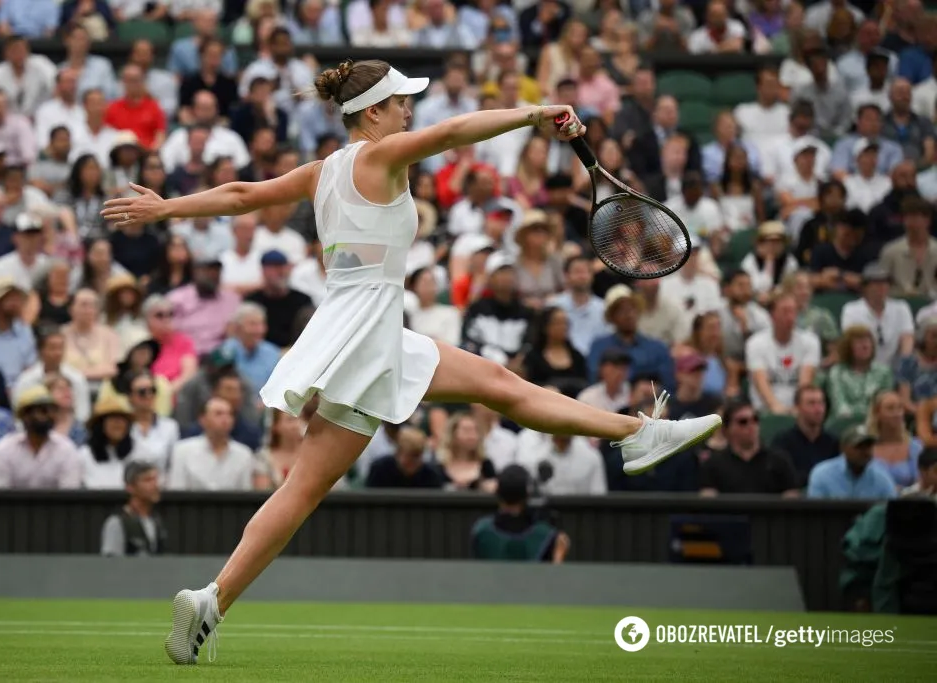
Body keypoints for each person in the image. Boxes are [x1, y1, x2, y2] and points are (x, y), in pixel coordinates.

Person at [102, 58, 721, 664]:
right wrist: (534, 112)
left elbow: (241, 195)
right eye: (401, 104)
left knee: (491, 389)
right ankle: (640, 434)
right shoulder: (379, 154)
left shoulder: (325, 170)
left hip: (359, 326)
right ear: (371, 112)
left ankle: (639, 433)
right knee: (319, 480)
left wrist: (167, 208)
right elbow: (452, 133)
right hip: (369, 331)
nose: (409, 112)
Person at [470, 464, 570, 563]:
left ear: (497, 492)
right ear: (528, 495)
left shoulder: (481, 530)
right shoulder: (546, 536)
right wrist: (558, 556)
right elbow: (553, 577)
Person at [807, 425, 898, 499]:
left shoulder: (881, 475)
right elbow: (815, 515)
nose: (865, 452)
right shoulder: (822, 474)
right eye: (859, 447)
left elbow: (892, 513)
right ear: (844, 448)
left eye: (869, 446)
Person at [99, 461, 168, 556]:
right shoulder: (117, 523)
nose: (155, 485)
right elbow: (111, 565)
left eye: (155, 480)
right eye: (148, 480)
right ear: (130, 487)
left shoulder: (156, 522)